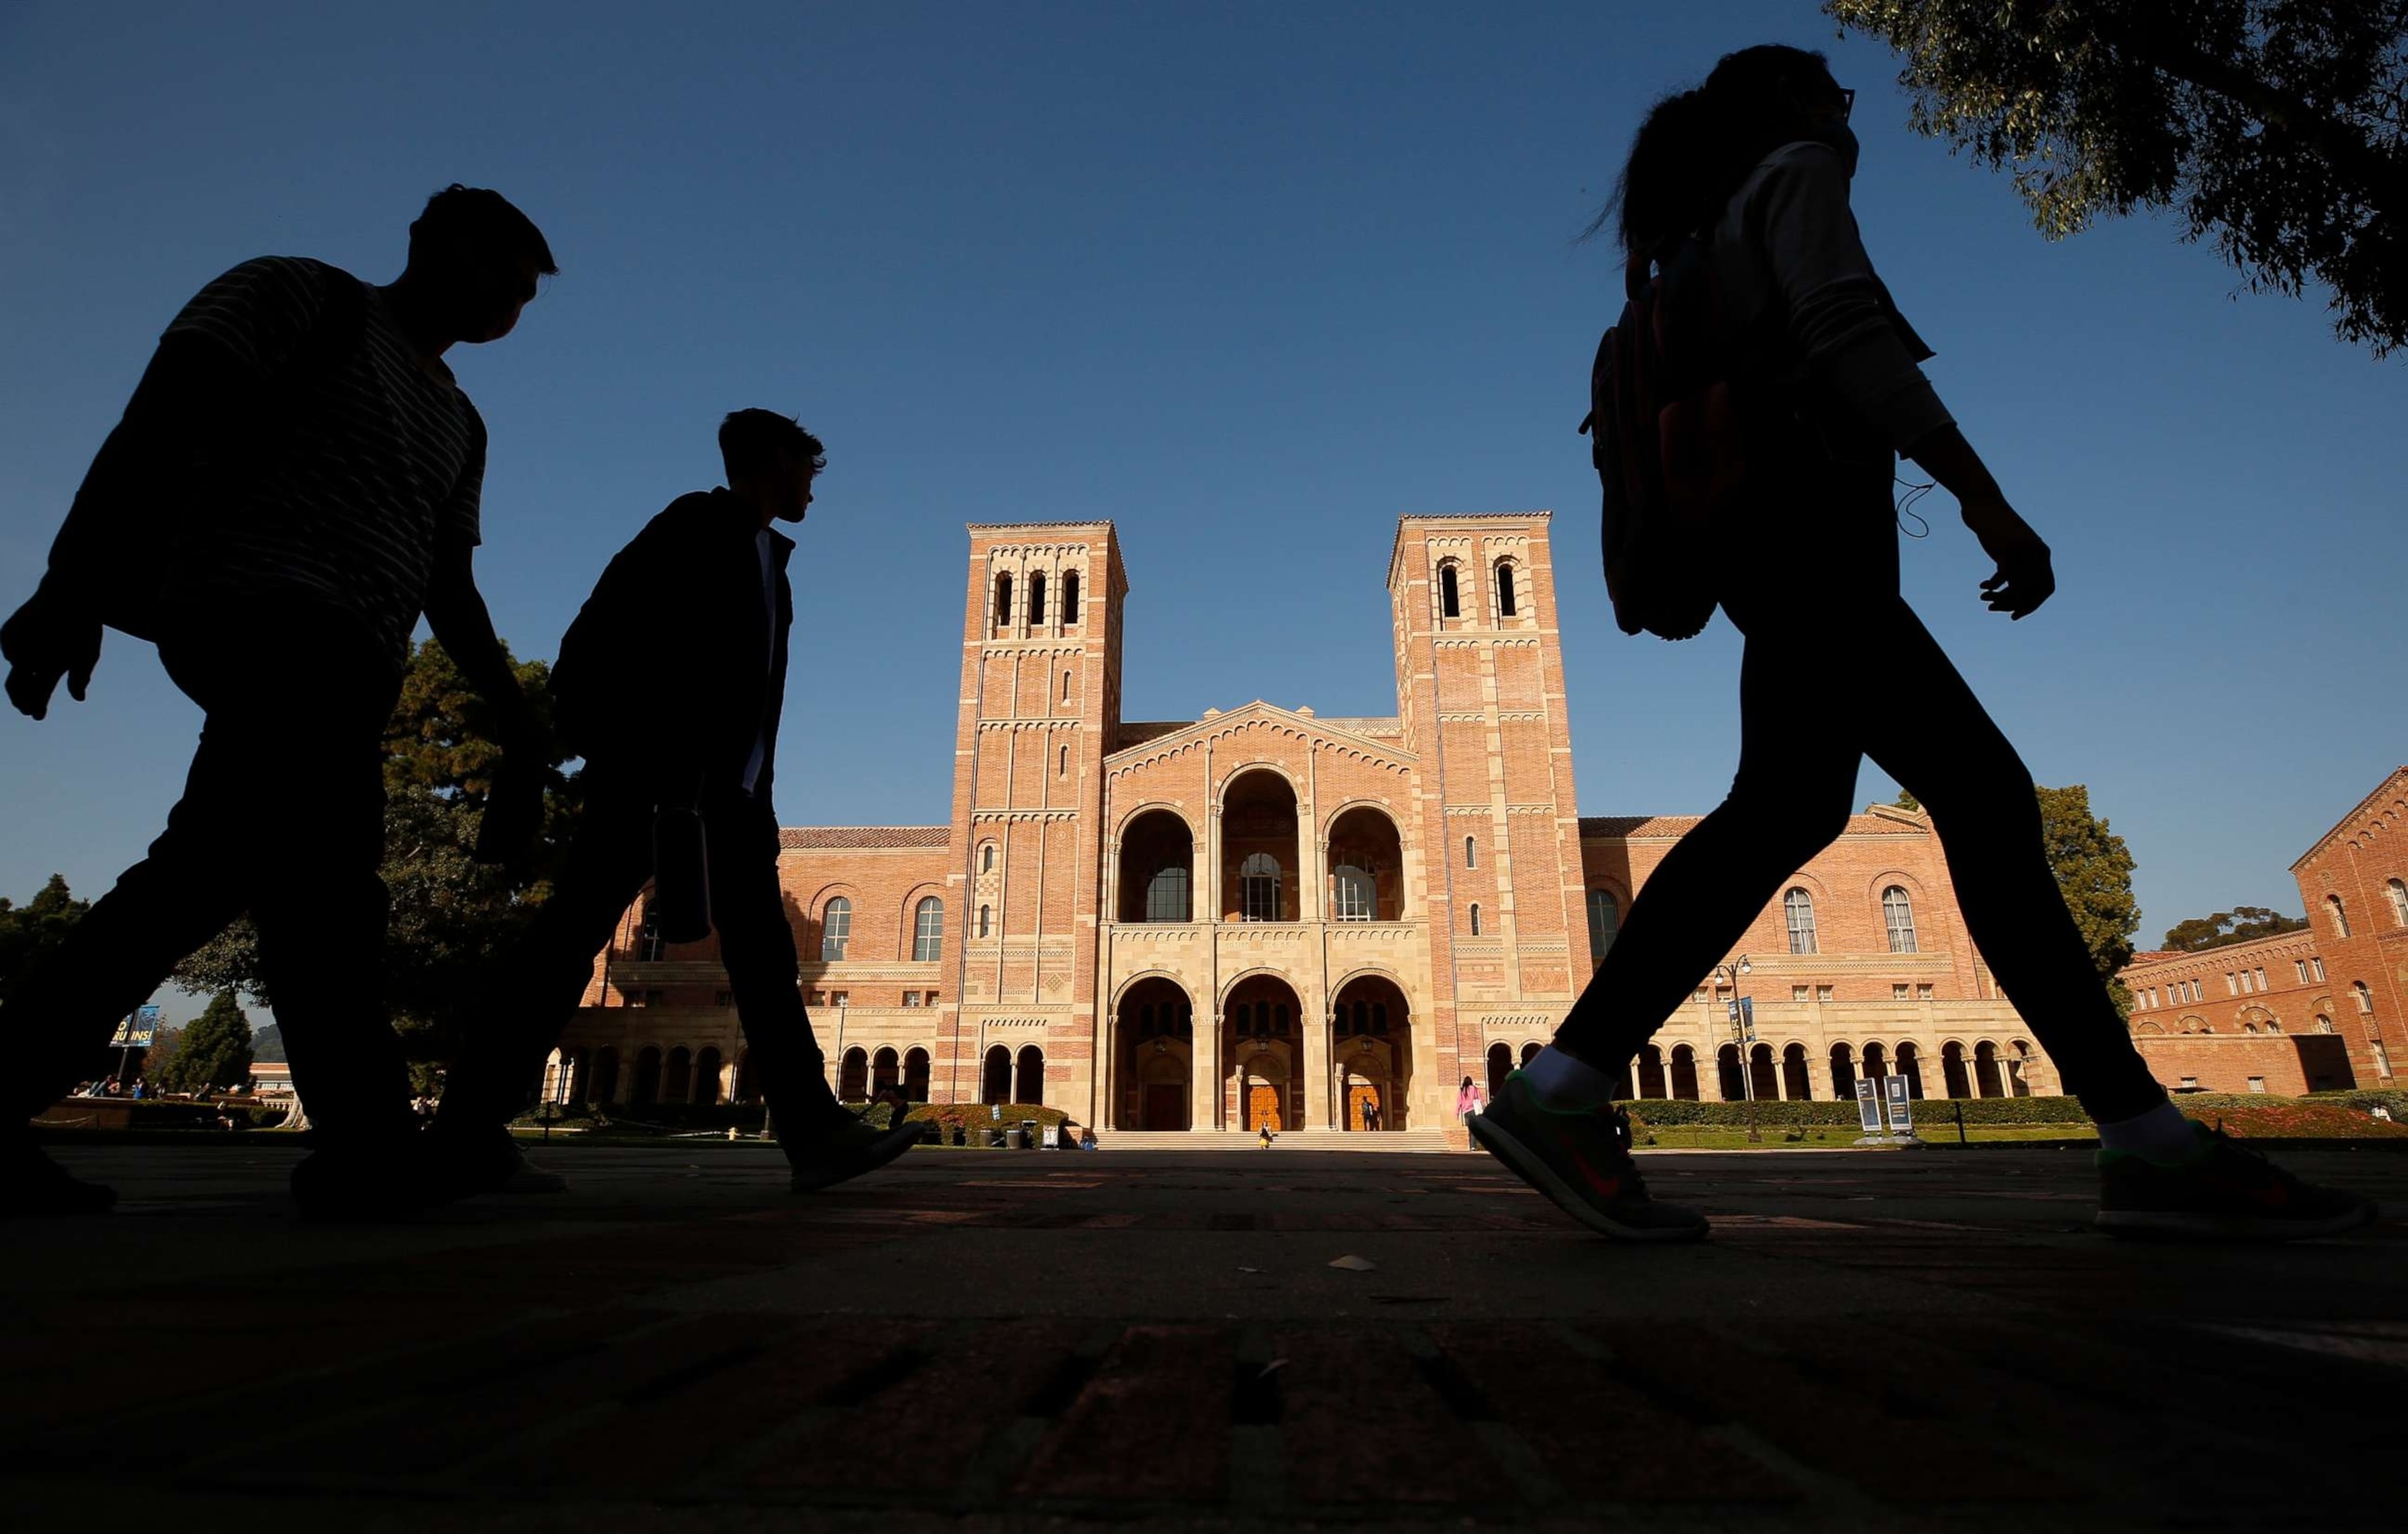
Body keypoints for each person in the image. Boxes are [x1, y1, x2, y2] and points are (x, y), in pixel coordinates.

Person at [1471, 45, 2374, 1246]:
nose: (1849, 105)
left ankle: (1566, 1086)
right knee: (1981, 800)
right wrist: (1983, 496)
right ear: (1782, 108)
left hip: (1764, 562)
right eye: (1825, 85)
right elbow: (1845, 331)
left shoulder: (1676, 267)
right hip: (1818, 553)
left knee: (1787, 811)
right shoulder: (1790, 178)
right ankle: (2150, 1144)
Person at [2, 187, 555, 1220]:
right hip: (257, 613)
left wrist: (517, 728)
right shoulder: (300, 296)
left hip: (353, 657)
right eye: (496, 273)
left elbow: (450, 588)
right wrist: (69, 584)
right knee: (324, 890)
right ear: (429, 243)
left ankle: (367, 1148)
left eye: (524, 296)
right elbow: (157, 424)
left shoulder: (460, 420)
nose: (506, 304)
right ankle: (374, 1148)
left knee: (234, 879)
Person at [433, 411, 921, 1196]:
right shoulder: (694, 527)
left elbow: (746, 692)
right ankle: (463, 1130)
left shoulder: (768, 555)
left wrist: (755, 789)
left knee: (759, 958)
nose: (812, 489)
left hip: (729, 795)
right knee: (568, 942)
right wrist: (631, 750)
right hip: (658, 782)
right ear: (767, 465)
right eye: (805, 472)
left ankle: (815, 1131)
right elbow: (598, 637)